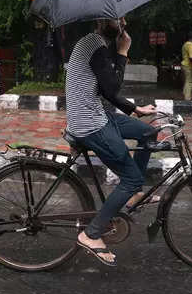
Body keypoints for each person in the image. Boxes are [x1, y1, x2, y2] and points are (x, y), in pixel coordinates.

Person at [66, 16, 157, 266]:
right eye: (117, 17)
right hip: (90, 124)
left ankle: (134, 194)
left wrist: (134, 110)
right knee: (131, 177)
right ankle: (91, 234)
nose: (124, 21)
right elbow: (112, 87)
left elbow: (107, 89)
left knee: (148, 132)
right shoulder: (95, 45)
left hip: (98, 114)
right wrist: (124, 51)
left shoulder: (95, 43)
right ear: (102, 20)